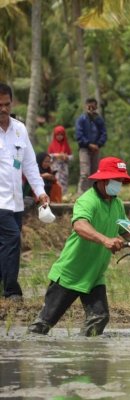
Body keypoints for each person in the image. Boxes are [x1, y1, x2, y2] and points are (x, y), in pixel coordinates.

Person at [28, 157, 130, 336]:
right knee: (43, 325)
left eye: (121, 180)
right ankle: (27, 354)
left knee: (99, 318)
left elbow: (126, 231)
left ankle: (86, 359)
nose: (119, 184)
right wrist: (106, 240)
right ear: (103, 180)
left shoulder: (117, 203)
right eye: (117, 180)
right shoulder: (87, 200)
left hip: (94, 274)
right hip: (71, 272)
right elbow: (79, 225)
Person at [0, 83, 50, 301]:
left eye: (6, 104)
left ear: (12, 103)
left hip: (16, 202)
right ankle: (12, 291)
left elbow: (30, 165)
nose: (3, 109)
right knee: (12, 239)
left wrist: (40, 192)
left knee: (5, 244)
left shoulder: (20, 129)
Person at [75, 98, 106, 194]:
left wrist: (98, 144)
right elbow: (79, 135)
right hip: (84, 148)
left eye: (93, 106)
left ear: (96, 106)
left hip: (96, 149)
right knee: (85, 173)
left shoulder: (99, 119)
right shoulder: (81, 119)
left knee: (95, 173)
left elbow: (104, 133)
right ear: (86, 106)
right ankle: (81, 194)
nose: (91, 108)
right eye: (89, 106)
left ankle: (94, 193)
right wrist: (89, 144)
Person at [47, 125, 73, 197]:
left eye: (61, 135)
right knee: (56, 182)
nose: (59, 136)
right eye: (57, 135)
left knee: (64, 183)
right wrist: (57, 155)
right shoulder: (52, 145)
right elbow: (48, 156)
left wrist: (66, 157)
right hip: (55, 168)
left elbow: (71, 157)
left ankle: (63, 197)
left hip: (64, 169)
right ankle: (55, 196)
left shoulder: (66, 145)